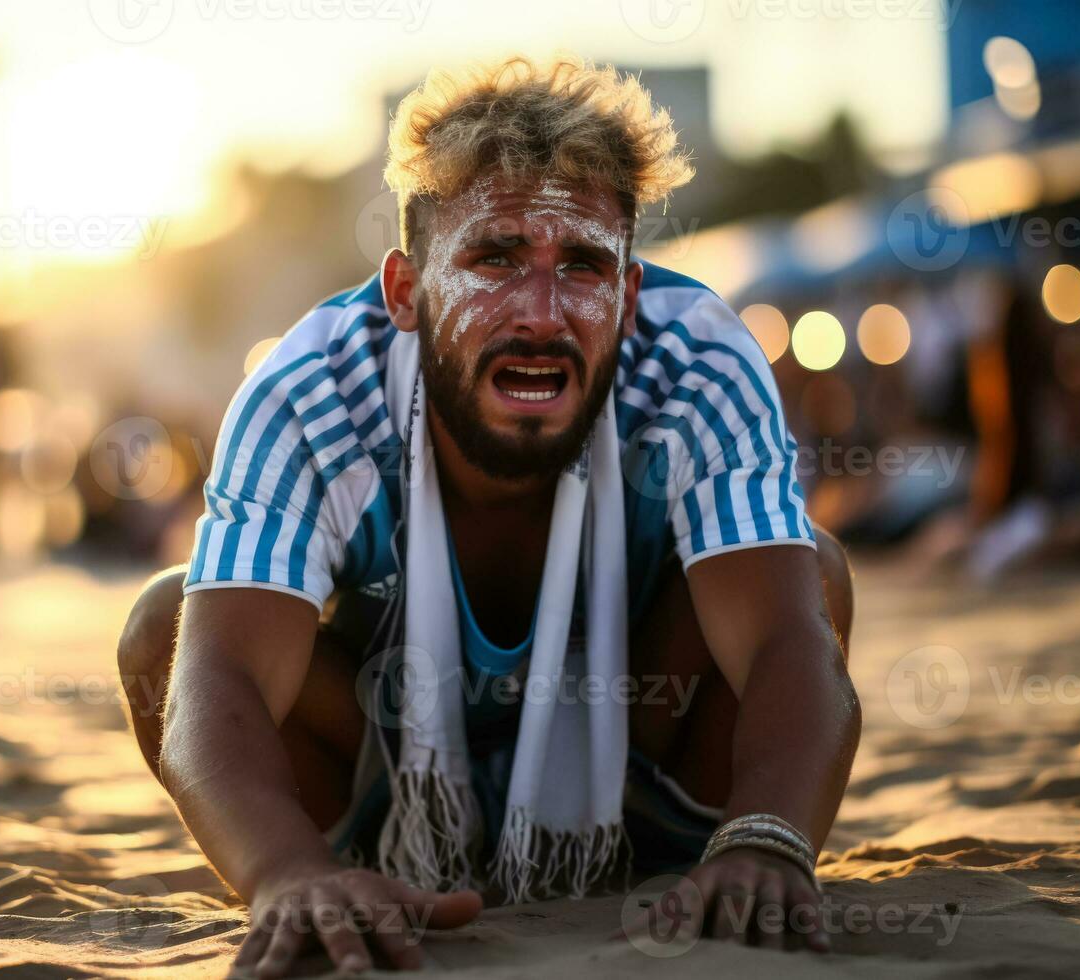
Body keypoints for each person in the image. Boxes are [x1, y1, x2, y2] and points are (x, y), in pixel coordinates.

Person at [117, 57, 859, 975]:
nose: (542, 314)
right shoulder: (310, 392)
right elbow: (214, 675)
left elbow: (790, 638)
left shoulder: (698, 361)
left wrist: (768, 840)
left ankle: (695, 854)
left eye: (583, 264)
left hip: (638, 755)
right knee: (166, 627)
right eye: (496, 258)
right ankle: (342, 871)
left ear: (629, 300)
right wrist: (284, 872)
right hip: (383, 773)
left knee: (811, 575)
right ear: (403, 292)